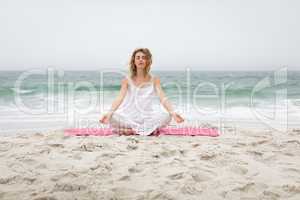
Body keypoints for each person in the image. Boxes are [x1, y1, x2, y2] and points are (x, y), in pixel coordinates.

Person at [99, 48, 184, 136]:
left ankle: (131, 131)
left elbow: (162, 97)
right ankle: (145, 131)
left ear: (147, 61)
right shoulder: (126, 80)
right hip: (129, 118)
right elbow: (120, 98)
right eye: (138, 57)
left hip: (147, 118)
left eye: (143, 58)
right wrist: (109, 113)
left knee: (167, 116)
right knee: (112, 117)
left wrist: (173, 113)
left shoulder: (155, 80)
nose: (141, 60)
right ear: (134, 61)